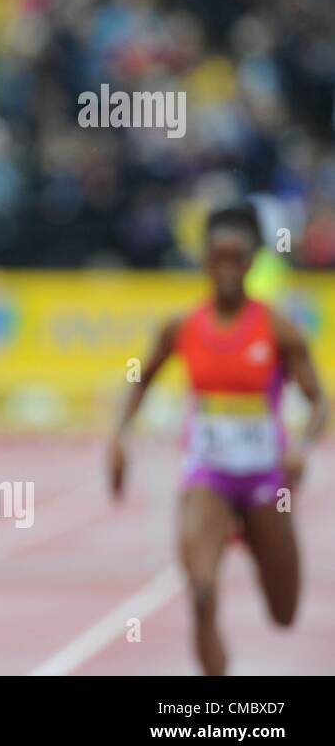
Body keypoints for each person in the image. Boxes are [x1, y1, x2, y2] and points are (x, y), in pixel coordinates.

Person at [106, 204, 329, 675]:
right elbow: (139, 379)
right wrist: (120, 436)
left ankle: (254, 534)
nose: (227, 268)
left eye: (237, 258)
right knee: (202, 592)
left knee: (284, 613)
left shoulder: (278, 328)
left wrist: (301, 447)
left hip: (266, 481)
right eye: (218, 257)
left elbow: (319, 402)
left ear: (253, 261)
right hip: (207, 477)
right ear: (204, 260)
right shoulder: (182, 327)